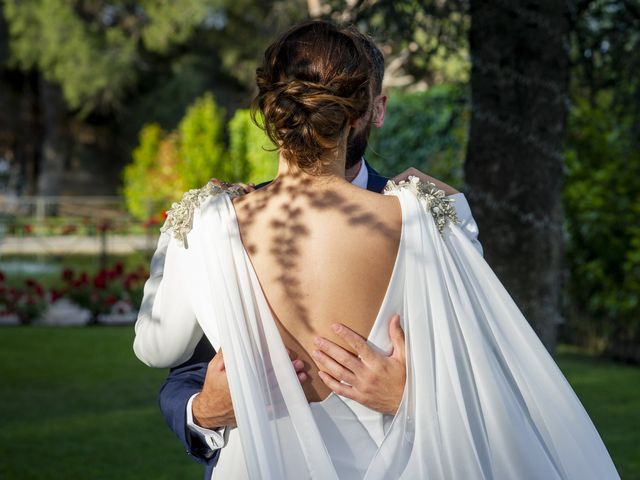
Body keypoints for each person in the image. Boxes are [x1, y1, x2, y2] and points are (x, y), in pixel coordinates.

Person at [134, 20, 619, 479]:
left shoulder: (209, 222)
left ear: (268, 109)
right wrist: (203, 409)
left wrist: (187, 221)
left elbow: (156, 346)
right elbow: (492, 368)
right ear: (362, 111)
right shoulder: (423, 216)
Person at [149, 25, 483, 477]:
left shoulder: (434, 216)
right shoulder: (219, 220)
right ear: (360, 111)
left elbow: (485, 364)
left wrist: (413, 397)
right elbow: (183, 371)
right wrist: (204, 411)